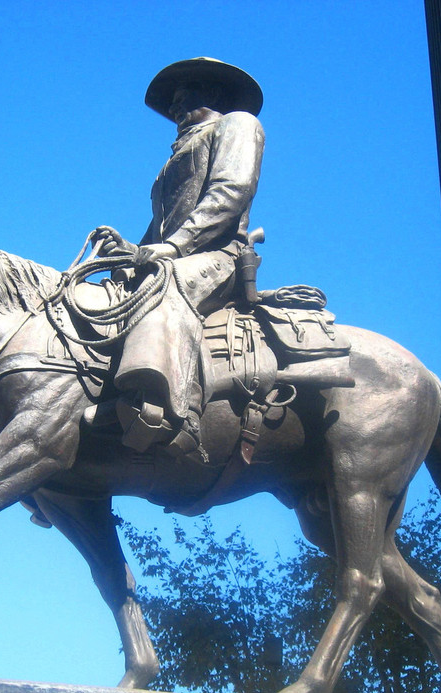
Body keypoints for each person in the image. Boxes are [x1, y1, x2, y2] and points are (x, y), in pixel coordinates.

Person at [91, 57, 265, 458]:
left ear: (214, 94)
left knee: (163, 286)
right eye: (171, 104)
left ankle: (174, 413)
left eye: (182, 99)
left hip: (218, 256)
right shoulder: (175, 157)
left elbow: (230, 193)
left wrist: (171, 249)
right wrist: (130, 253)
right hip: (177, 254)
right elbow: (160, 229)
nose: (174, 109)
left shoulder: (238, 125)